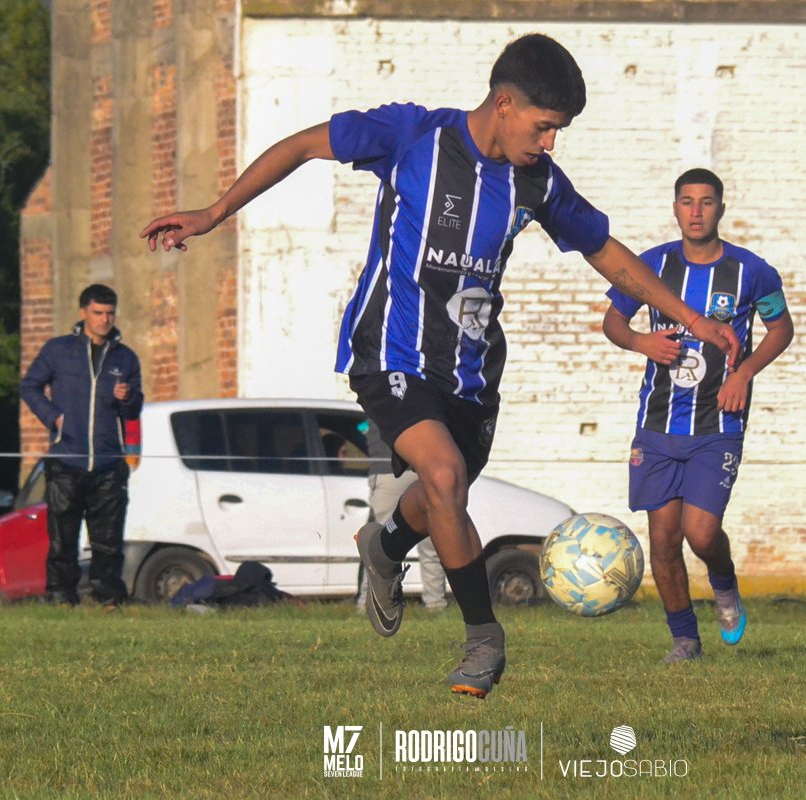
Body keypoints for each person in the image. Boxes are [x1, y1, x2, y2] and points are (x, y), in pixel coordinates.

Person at [140, 34, 740, 697]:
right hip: (389, 355)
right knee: (446, 475)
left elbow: (606, 252)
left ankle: (384, 546)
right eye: (544, 127)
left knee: (439, 496)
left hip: (472, 373)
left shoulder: (536, 180)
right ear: (504, 104)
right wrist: (214, 212)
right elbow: (303, 145)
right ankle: (484, 639)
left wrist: (693, 320)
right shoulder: (411, 135)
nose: (549, 143)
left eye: (558, 131)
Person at [602, 168, 794, 663]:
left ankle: (723, 581)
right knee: (664, 541)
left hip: (718, 424)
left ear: (721, 209)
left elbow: (781, 329)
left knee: (701, 533)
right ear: (675, 208)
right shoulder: (652, 265)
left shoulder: (752, 271)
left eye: (706, 202)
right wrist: (641, 341)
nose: (695, 211)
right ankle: (685, 640)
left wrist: (744, 373)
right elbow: (614, 321)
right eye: (686, 201)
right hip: (658, 424)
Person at [20, 284, 143, 606]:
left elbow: (133, 411)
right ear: (83, 312)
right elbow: (30, 386)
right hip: (66, 460)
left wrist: (128, 396)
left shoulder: (126, 357)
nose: (105, 319)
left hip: (108, 463)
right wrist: (53, 417)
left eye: (110, 313)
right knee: (62, 539)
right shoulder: (58, 350)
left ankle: (108, 598)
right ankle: (62, 597)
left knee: (108, 541)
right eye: (98, 313)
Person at [355, 419, 448, 610]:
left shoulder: (377, 403)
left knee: (379, 544)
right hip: (426, 468)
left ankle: (368, 603)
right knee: (430, 542)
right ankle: (435, 603)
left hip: (388, 471)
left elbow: (362, 427)